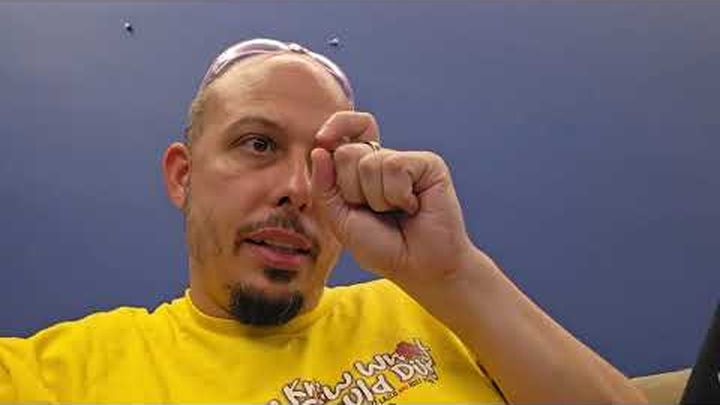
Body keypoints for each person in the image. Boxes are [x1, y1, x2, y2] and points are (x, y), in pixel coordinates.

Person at [0, 38, 647, 404]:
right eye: (258, 144)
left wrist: (455, 275)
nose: (297, 189)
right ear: (183, 175)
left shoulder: (441, 312)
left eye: (325, 162)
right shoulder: (62, 375)